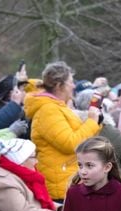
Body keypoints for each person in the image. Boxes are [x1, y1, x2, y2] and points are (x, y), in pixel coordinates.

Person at [23, 61, 101, 200]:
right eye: (70, 82)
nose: (74, 86)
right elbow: (71, 144)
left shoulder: (57, 107)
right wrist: (91, 122)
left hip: (68, 180)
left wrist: (96, 122)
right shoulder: (48, 111)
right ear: (59, 85)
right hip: (60, 187)